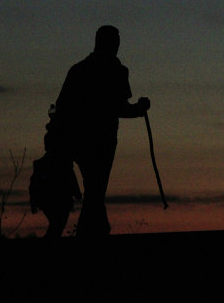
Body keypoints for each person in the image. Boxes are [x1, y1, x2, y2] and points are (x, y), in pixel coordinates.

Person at [48, 25, 150, 237]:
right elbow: (119, 108)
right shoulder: (115, 70)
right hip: (99, 141)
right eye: (115, 42)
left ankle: (94, 231)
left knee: (94, 189)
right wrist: (140, 109)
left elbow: (61, 106)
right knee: (95, 190)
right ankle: (93, 233)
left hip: (74, 140)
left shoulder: (78, 69)